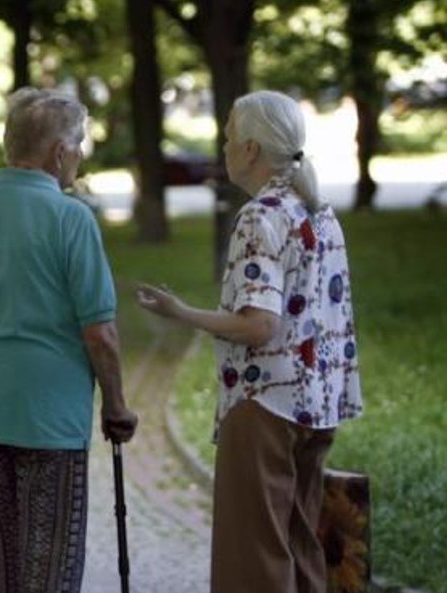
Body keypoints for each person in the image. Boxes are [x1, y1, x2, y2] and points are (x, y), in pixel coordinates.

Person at [135, 90, 363, 593]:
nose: (224, 146)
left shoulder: (260, 217)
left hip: (265, 404)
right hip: (318, 401)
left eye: (228, 136)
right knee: (301, 550)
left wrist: (182, 313)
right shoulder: (319, 212)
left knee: (253, 560)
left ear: (253, 149)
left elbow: (259, 325)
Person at [0, 87, 139, 593]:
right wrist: (117, 406)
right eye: (79, 144)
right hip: (49, 418)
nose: (81, 155)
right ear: (59, 151)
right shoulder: (71, 220)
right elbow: (100, 333)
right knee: (48, 571)